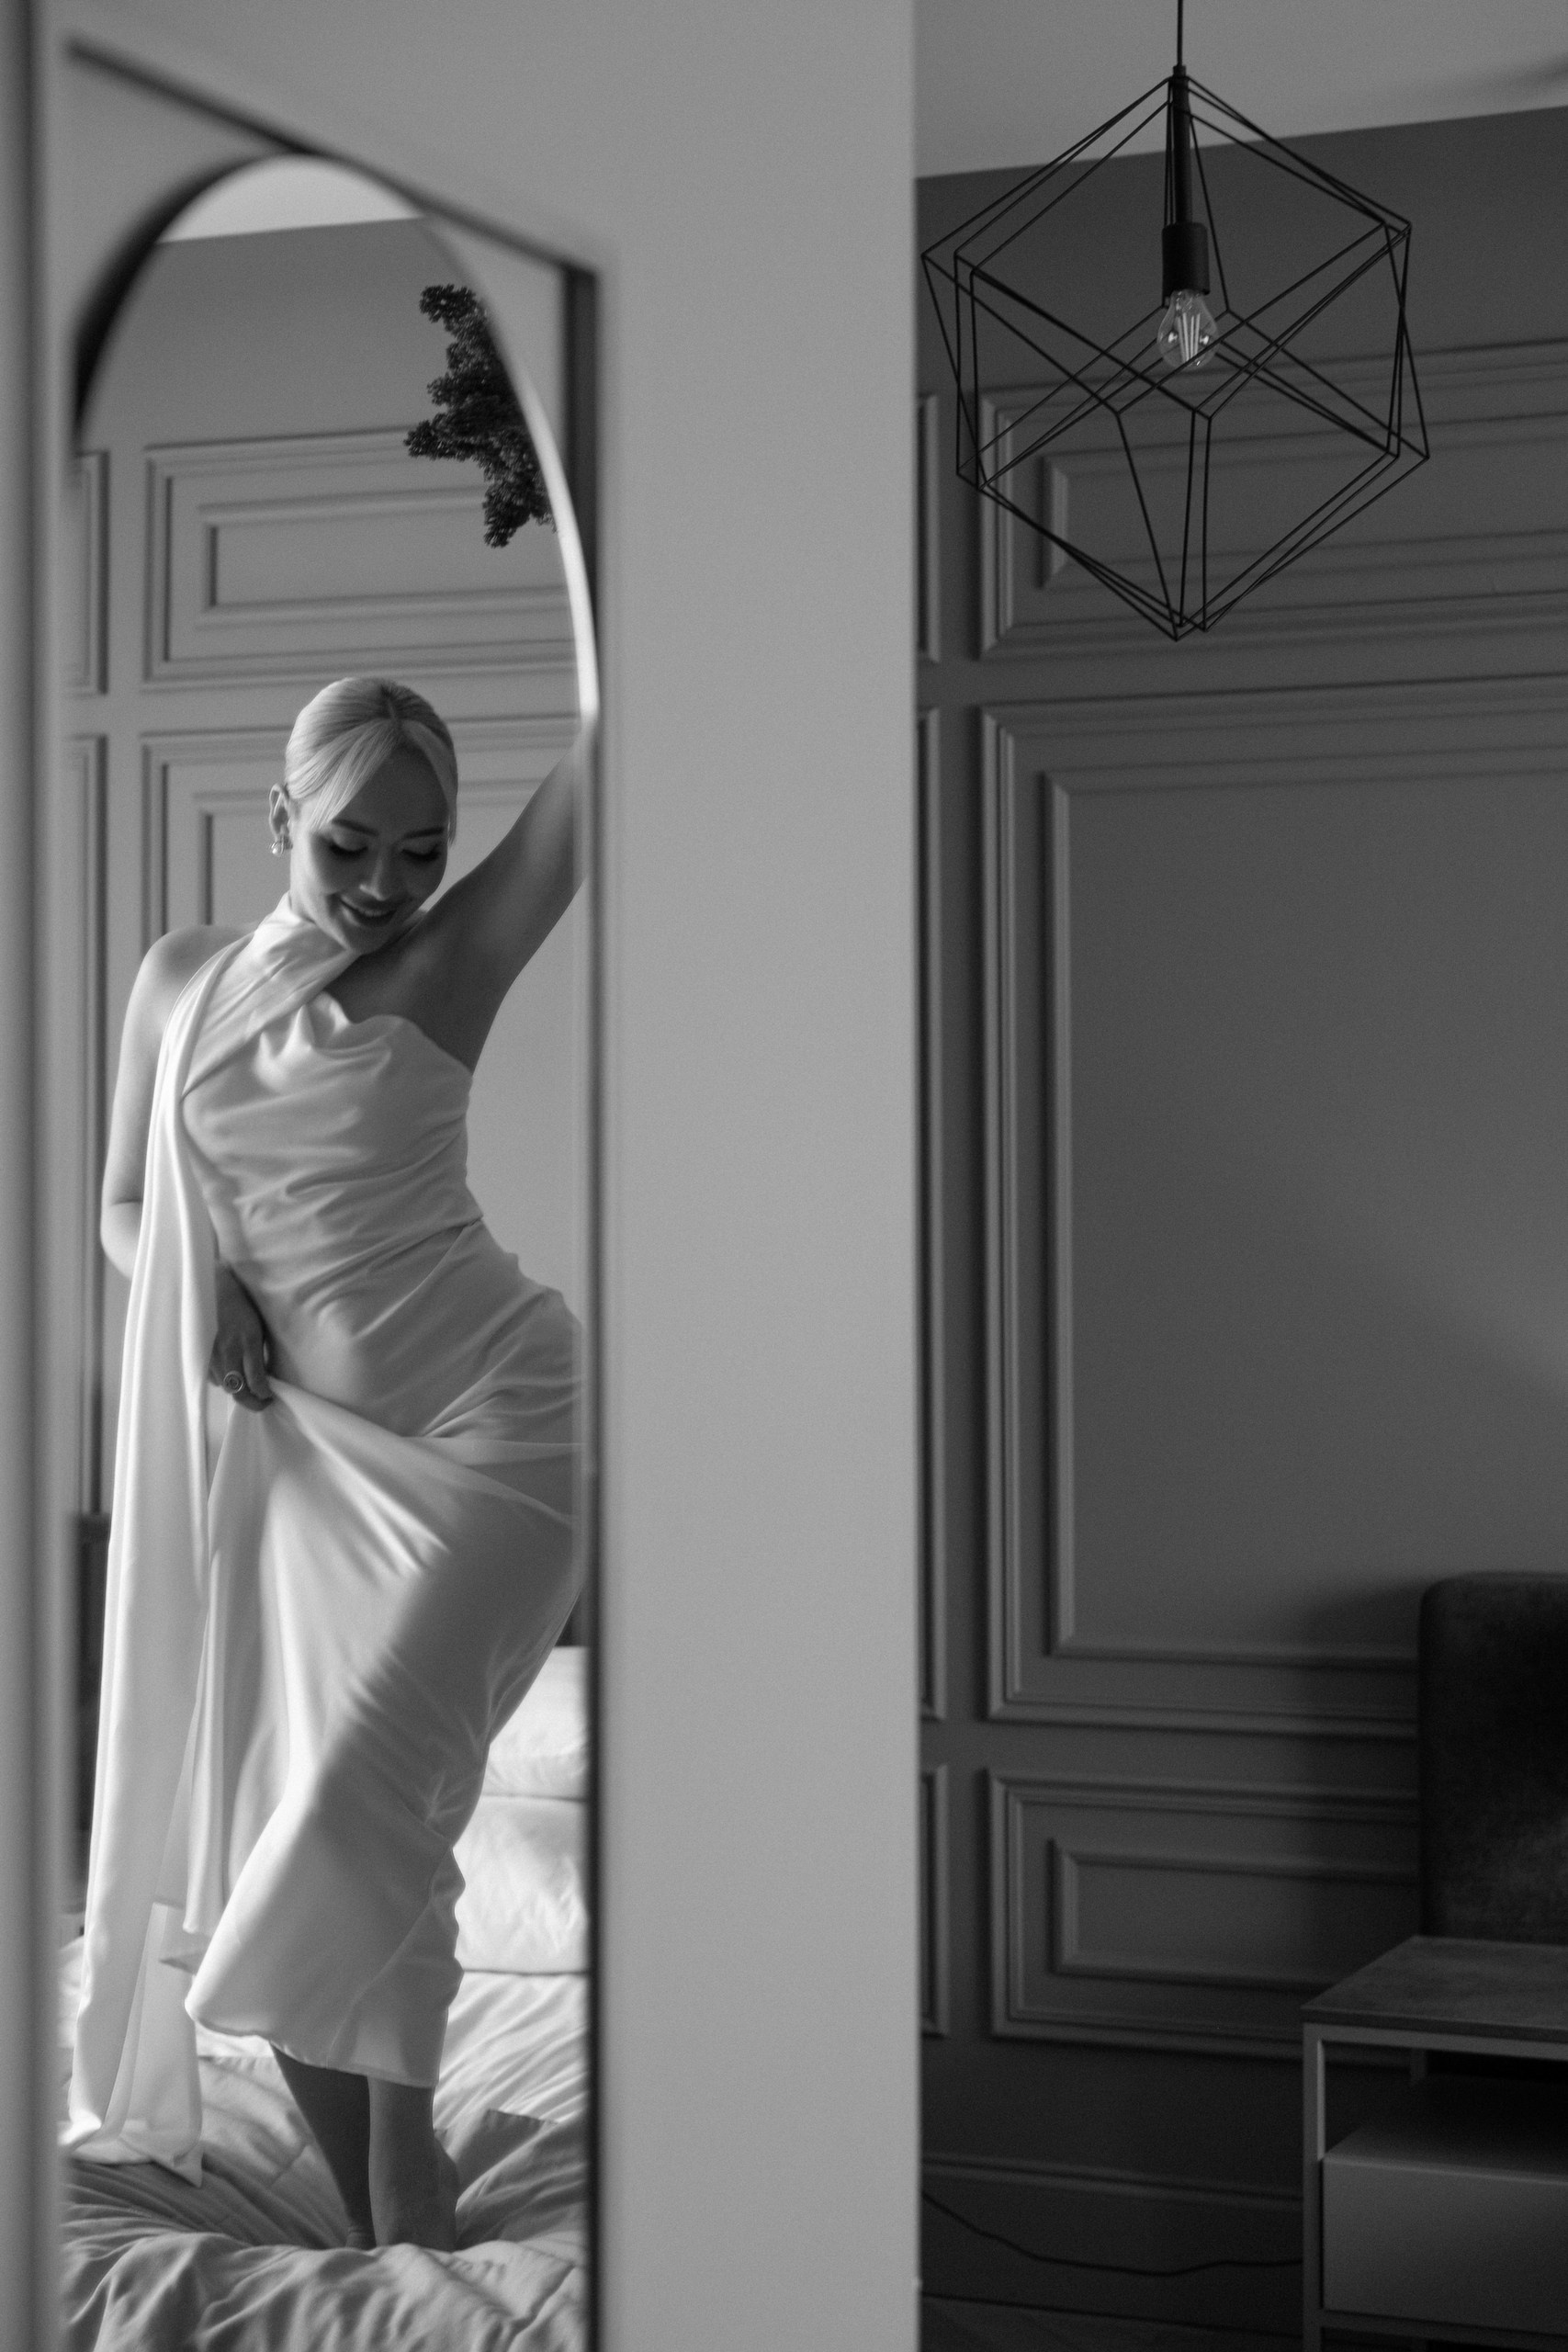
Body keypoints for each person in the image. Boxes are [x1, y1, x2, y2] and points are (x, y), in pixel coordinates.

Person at [65, 676, 587, 2250]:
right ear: (281, 816)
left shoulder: (446, 963)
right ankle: (378, 2229)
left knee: (362, 1806)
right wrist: (202, 1287)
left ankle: (413, 2197)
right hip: (298, 1466)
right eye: (348, 844)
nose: (383, 885)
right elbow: (124, 1204)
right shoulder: (180, 980)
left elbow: (598, 785)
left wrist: (615, 562)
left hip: (495, 1436)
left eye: (422, 852)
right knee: (272, 1842)